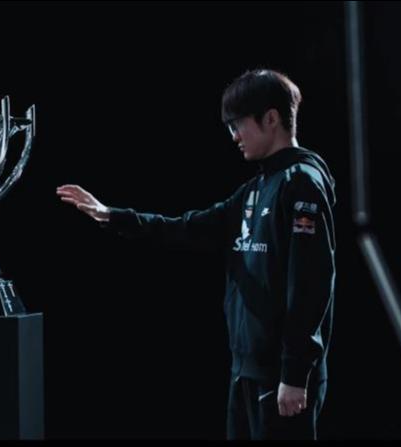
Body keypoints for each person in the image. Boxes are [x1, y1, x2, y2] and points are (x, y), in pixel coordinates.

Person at [56, 69, 335, 440]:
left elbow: (312, 284)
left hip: (282, 379)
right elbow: (187, 227)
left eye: (238, 125)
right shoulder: (254, 189)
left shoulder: (301, 182)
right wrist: (111, 215)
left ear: (271, 118)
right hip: (246, 370)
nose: (234, 137)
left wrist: (295, 373)